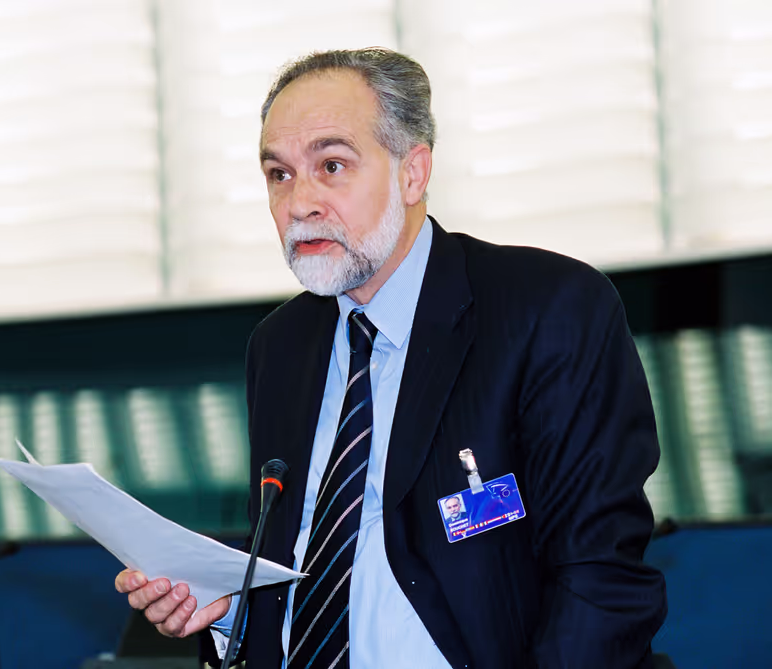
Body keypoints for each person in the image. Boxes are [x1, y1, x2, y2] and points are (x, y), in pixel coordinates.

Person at [115, 48, 667, 668]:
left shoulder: (546, 307)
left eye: (331, 165)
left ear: (413, 173)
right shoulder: (280, 345)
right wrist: (226, 613)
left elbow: (599, 577)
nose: (300, 204)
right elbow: (307, 567)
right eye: (279, 175)